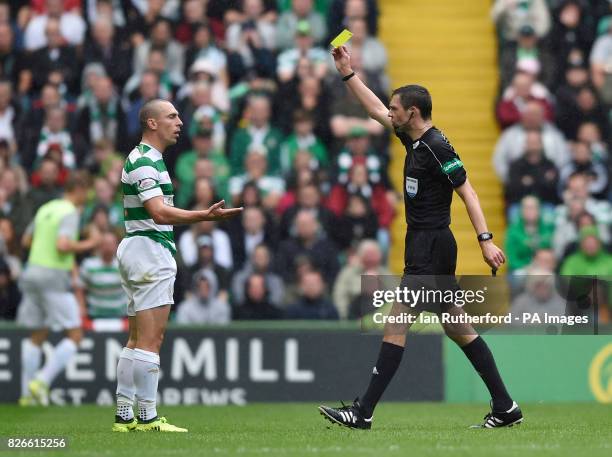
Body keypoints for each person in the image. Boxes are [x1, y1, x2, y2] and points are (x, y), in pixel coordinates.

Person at [319, 46, 522, 430]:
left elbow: (469, 192)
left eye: (397, 108)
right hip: (426, 245)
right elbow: (375, 110)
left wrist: (485, 239)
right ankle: (505, 405)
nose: (390, 112)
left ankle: (363, 412)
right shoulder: (411, 137)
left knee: (396, 324)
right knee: (457, 326)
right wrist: (347, 73)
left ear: (413, 112)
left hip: (432, 246)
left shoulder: (437, 146)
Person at [113, 99, 242, 433]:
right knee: (151, 340)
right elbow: (158, 212)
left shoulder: (151, 159)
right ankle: (148, 418)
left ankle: (125, 414)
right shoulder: (144, 160)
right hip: (149, 249)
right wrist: (203, 216)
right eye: (172, 116)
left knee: (136, 337)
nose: (180, 122)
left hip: (140, 248)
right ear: (152, 123)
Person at [16, 171, 100, 406]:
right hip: (52, 276)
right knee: (75, 335)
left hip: (31, 272)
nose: (88, 196)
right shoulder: (70, 212)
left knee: (37, 335)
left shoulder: (47, 208)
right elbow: (63, 245)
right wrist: (90, 243)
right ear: (80, 189)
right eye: (88, 191)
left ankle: (27, 395)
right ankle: (42, 380)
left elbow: (26, 241)